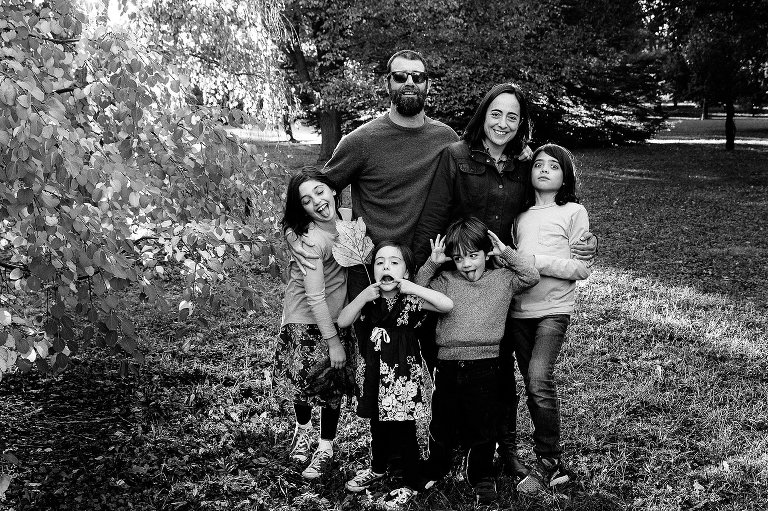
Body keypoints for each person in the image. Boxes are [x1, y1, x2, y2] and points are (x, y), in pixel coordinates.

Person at [412, 83, 597, 479]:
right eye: (496, 113)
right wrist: (422, 271)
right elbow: (433, 217)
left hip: (505, 281)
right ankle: (457, 445)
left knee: (501, 373)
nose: (503, 123)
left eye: (512, 116)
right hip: (460, 276)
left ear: (521, 124)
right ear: (483, 115)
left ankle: (501, 451)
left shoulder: (523, 165)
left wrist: (583, 245)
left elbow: (547, 214)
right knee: (459, 368)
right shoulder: (456, 156)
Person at [378, 217, 539, 511]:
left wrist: (506, 254)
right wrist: (433, 262)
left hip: (487, 365)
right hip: (448, 365)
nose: (466, 264)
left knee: (483, 426)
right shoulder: (445, 281)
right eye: (459, 258)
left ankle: (480, 477)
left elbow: (531, 276)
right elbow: (412, 289)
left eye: (473, 256)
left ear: (486, 254)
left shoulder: (503, 278)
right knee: (442, 422)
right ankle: (437, 465)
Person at [337, 241, 453, 499]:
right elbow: (343, 320)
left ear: (406, 273)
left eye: (394, 262)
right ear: (374, 271)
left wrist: (413, 288)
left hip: (402, 377)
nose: (386, 266)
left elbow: (446, 305)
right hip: (375, 374)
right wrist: (362, 296)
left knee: (405, 428)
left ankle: (411, 480)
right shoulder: (369, 301)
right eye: (379, 262)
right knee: (377, 425)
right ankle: (377, 468)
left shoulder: (412, 301)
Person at [510, 144, 592, 493]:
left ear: (565, 177)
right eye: (538, 164)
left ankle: (549, 456)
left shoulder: (573, 212)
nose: (544, 170)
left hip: (554, 311)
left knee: (539, 376)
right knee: (530, 382)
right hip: (517, 311)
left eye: (553, 166)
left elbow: (581, 267)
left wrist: (534, 260)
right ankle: (512, 449)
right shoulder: (519, 215)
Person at [273, 170, 356, 480]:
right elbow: (315, 296)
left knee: (331, 385)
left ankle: (325, 446)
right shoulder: (308, 238)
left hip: (337, 315)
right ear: (302, 209)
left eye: (320, 192)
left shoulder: (348, 219)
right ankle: (303, 430)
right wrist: (333, 341)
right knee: (303, 385)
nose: (317, 202)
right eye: (306, 201)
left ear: (333, 190)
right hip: (305, 317)